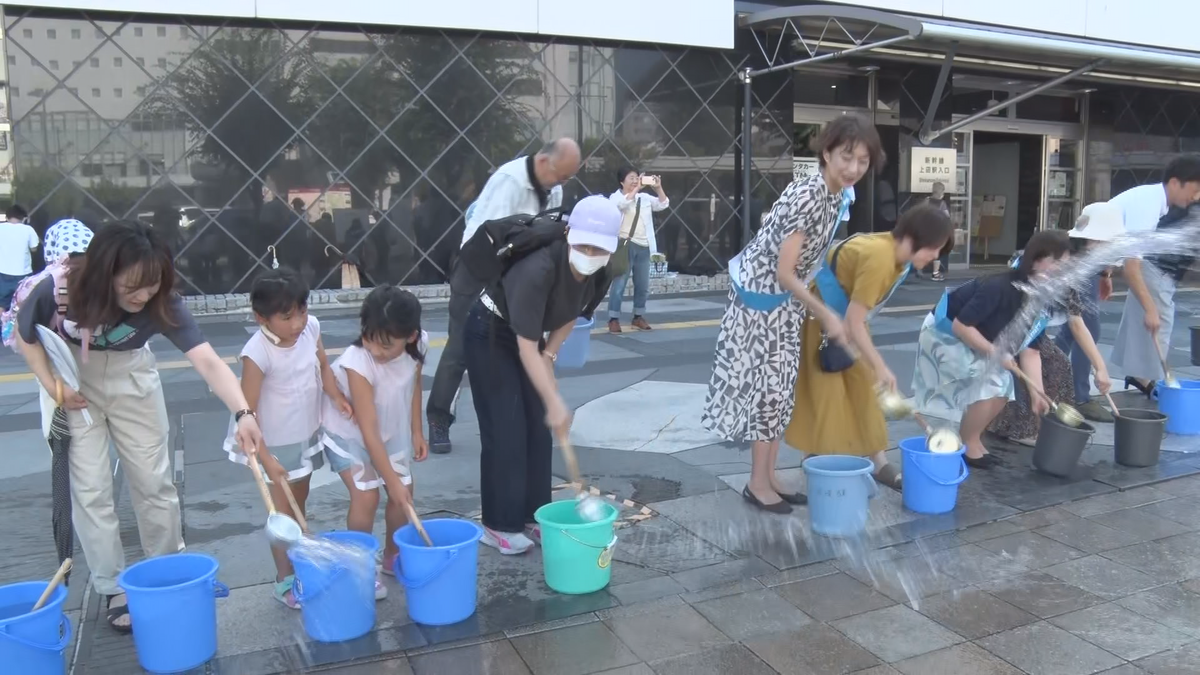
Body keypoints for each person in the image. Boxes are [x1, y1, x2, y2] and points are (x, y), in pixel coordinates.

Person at [14, 221, 264, 633]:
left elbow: (207, 361)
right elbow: (26, 336)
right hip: (71, 378)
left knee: (154, 481)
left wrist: (244, 414)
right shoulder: (60, 289)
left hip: (132, 375)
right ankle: (113, 585)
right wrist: (52, 386)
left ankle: (166, 571)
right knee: (90, 489)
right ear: (105, 273)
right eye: (132, 287)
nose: (142, 296)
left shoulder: (162, 301)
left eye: (151, 286)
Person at [702, 115, 883, 514]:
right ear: (826, 153)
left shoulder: (834, 193)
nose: (854, 168)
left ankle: (769, 477)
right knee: (768, 391)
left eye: (863, 162)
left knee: (780, 392)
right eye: (846, 157)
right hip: (760, 302)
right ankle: (757, 482)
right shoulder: (808, 195)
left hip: (781, 303)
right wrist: (826, 314)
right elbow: (785, 273)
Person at [463, 195, 618, 554]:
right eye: (583, 245)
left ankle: (533, 516)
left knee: (538, 429)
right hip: (491, 332)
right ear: (568, 234)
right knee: (507, 428)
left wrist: (550, 357)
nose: (590, 255)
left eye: (599, 249)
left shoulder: (604, 270)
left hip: (531, 341)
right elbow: (523, 346)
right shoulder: (537, 268)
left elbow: (571, 311)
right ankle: (498, 524)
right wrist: (554, 399)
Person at [427, 139, 582, 455]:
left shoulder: (554, 188)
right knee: (460, 348)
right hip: (477, 268)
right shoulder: (509, 181)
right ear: (542, 161)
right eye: (560, 176)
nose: (562, 184)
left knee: (518, 345)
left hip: (515, 276)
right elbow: (485, 237)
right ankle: (438, 418)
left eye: (568, 178)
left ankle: (522, 417)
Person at [786, 204, 953, 489]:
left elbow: (855, 318)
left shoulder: (893, 253)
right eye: (934, 248)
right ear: (914, 238)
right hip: (823, 323)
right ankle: (815, 461)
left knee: (867, 392)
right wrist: (880, 366)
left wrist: (877, 369)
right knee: (825, 394)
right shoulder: (880, 259)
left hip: (846, 320)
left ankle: (879, 465)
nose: (935, 256)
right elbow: (853, 321)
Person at [223, 268, 352, 609]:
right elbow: (247, 412)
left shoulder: (312, 328)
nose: (297, 323)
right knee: (283, 514)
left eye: (302, 311)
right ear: (260, 318)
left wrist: (336, 395)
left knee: (300, 500)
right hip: (272, 442)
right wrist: (266, 459)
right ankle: (283, 579)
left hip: (305, 430)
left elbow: (322, 365)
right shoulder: (257, 353)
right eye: (287, 317)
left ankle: (299, 565)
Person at [912, 230, 1072, 468]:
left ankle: (970, 440)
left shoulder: (1042, 298)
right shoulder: (1000, 286)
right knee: (996, 382)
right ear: (1036, 259)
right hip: (944, 334)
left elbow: (1031, 350)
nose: (1062, 270)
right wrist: (995, 353)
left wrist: (1037, 392)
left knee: (1002, 385)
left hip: (979, 337)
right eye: (1057, 262)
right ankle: (967, 444)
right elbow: (961, 325)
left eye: (1065, 265)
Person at [321, 286, 428, 596]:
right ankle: (359, 565)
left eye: (385, 344)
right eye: (368, 337)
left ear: (410, 336)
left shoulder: (417, 345)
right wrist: (389, 480)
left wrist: (417, 431)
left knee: (403, 494)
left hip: (389, 428)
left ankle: (392, 557)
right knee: (368, 495)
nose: (374, 349)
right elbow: (367, 429)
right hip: (350, 430)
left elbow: (415, 384)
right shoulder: (358, 361)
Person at [990, 205, 1120, 443]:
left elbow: (1076, 322)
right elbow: (1035, 342)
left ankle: (1046, 421)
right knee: (1026, 370)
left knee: (1058, 363)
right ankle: (1020, 425)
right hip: (1005, 331)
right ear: (1093, 241)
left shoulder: (1073, 266)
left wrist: (1100, 367)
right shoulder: (1053, 265)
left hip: (1030, 333)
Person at [1110, 155, 1200, 397]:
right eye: (1194, 190)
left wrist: (1105, 273)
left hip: (1099, 263)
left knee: (1078, 327)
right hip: (1090, 260)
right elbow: (1131, 267)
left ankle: (1141, 376)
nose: (1195, 197)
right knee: (1078, 327)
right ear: (1174, 183)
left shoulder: (1156, 201)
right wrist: (1151, 309)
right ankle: (1152, 379)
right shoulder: (1148, 205)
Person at [1055, 202, 1124, 423]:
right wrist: (1100, 367)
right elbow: (1078, 324)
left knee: (1070, 332)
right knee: (1085, 329)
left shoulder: (1087, 250)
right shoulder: (1073, 264)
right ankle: (1079, 397)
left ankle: (1051, 383)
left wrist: (1105, 274)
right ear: (1095, 240)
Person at [607, 168, 669, 333]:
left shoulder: (645, 198)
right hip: (625, 245)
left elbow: (663, 204)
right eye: (631, 178)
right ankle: (613, 318)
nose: (635, 181)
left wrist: (658, 188)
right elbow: (621, 205)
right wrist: (636, 190)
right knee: (619, 284)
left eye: (637, 178)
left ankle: (638, 316)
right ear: (622, 181)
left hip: (644, 246)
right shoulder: (616, 197)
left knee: (643, 285)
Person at [0, 205, 39, 308]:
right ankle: (16, 324)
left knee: (2, 303)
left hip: (2, 272)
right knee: (21, 304)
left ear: (7, 217)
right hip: (23, 273)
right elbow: (34, 248)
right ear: (24, 218)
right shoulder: (28, 230)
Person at [927, 182, 952, 281]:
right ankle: (935, 273)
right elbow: (947, 217)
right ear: (940, 191)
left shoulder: (927, 201)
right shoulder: (942, 204)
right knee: (938, 251)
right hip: (937, 231)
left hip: (926, 229)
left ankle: (918, 269)